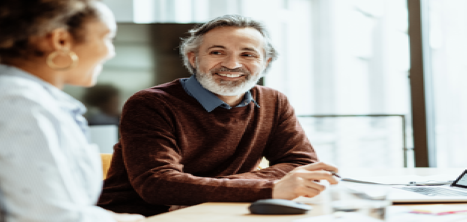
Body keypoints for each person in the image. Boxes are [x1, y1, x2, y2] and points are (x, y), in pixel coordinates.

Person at [98, 15, 339, 216]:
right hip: (142, 216)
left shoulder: (273, 101)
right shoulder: (150, 103)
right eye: (217, 52)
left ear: (265, 63)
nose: (233, 64)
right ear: (193, 58)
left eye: (248, 54)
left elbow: (301, 164)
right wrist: (271, 189)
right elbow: (157, 184)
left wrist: (200, 188)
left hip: (221, 209)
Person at [0, 0, 144, 221]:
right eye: (106, 38)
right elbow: (50, 217)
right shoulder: (25, 105)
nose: (110, 52)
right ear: (61, 41)